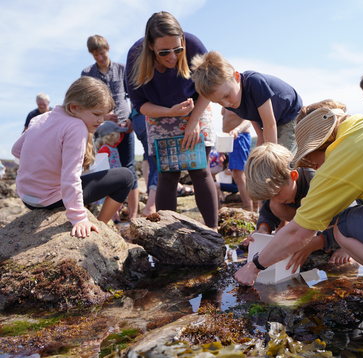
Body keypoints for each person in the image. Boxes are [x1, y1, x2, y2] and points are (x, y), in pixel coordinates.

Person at [235, 99, 363, 324]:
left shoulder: (346, 152)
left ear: (321, 145)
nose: (312, 165)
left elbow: (298, 233)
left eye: (311, 158)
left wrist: (254, 266)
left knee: (344, 229)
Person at [125, 11, 217, 230]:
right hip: (158, 114)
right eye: (164, 52)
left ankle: (213, 230)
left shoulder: (194, 45)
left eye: (178, 49)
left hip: (196, 108)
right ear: (150, 46)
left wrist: (193, 121)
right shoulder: (135, 57)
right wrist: (170, 112)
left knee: (199, 169)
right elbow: (140, 105)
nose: (173, 57)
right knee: (168, 174)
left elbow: (209, 87)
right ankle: (169, 233)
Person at [11, 77, 134, 238]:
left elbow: (16, 150)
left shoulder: (39, 118)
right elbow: (70, 177)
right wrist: (79, 218)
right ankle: (100, 227)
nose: (101, 121)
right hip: (49, 199)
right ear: (74, 107)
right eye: (97, 114)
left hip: (27, 197)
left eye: (104, 116)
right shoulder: (76, 127)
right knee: (126, 177)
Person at [242, 142, 351, 264]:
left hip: (347, 214)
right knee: (275, 206)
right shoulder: (278, 189)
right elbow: (267, 211)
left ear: (293, 175)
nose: (275, 199)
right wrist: (263, 230)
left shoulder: (315, 181)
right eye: (270, 196)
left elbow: (349, 218)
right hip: (313, 215)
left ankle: (344, 246)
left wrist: (315, 243)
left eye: (277, 193)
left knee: (345, 229)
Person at [191, 51, 302, 154]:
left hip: (289, 114)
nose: (226, 104)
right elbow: (250, 113)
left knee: (283, 160)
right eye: (218, 102)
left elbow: (269, 124)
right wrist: (260, 135)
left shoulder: (254, 82)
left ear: (236, 77)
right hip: (274, 120)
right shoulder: (231, 101)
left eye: (226, 95)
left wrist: (271, 155)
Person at [81, 35, 139, 220]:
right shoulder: (87, 73)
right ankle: (112, 215)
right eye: (95, 54)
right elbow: (85, 103)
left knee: (128, 167)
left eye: (102, 52)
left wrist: (132, 118)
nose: (99, 57)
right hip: (100, 131)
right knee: (104, 169)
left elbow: (134, 97)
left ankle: (133, 215)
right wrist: (104, 116)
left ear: (108, 48)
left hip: (124, 127)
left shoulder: (123, 69)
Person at [93, 120, 129, 223]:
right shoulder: (105, 148)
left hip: (115, 178)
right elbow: (100, 164)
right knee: (110, 198)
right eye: (118, 134)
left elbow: (121, 138)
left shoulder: (113, 147)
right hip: (108, 178)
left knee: (115, 197)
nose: (120, 136)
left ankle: (116, 218)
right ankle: (113, 219)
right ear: (112, 135)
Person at [221, 108, 253, 211]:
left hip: (239, 137)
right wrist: (222, 147)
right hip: (229, 139)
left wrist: (237, 130)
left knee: (239, 175)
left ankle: (249, 209)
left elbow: (249, 120)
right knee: (236, 175)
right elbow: (225, 121)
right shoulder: (223, 99)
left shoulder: (236, 97)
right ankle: (248, 207)